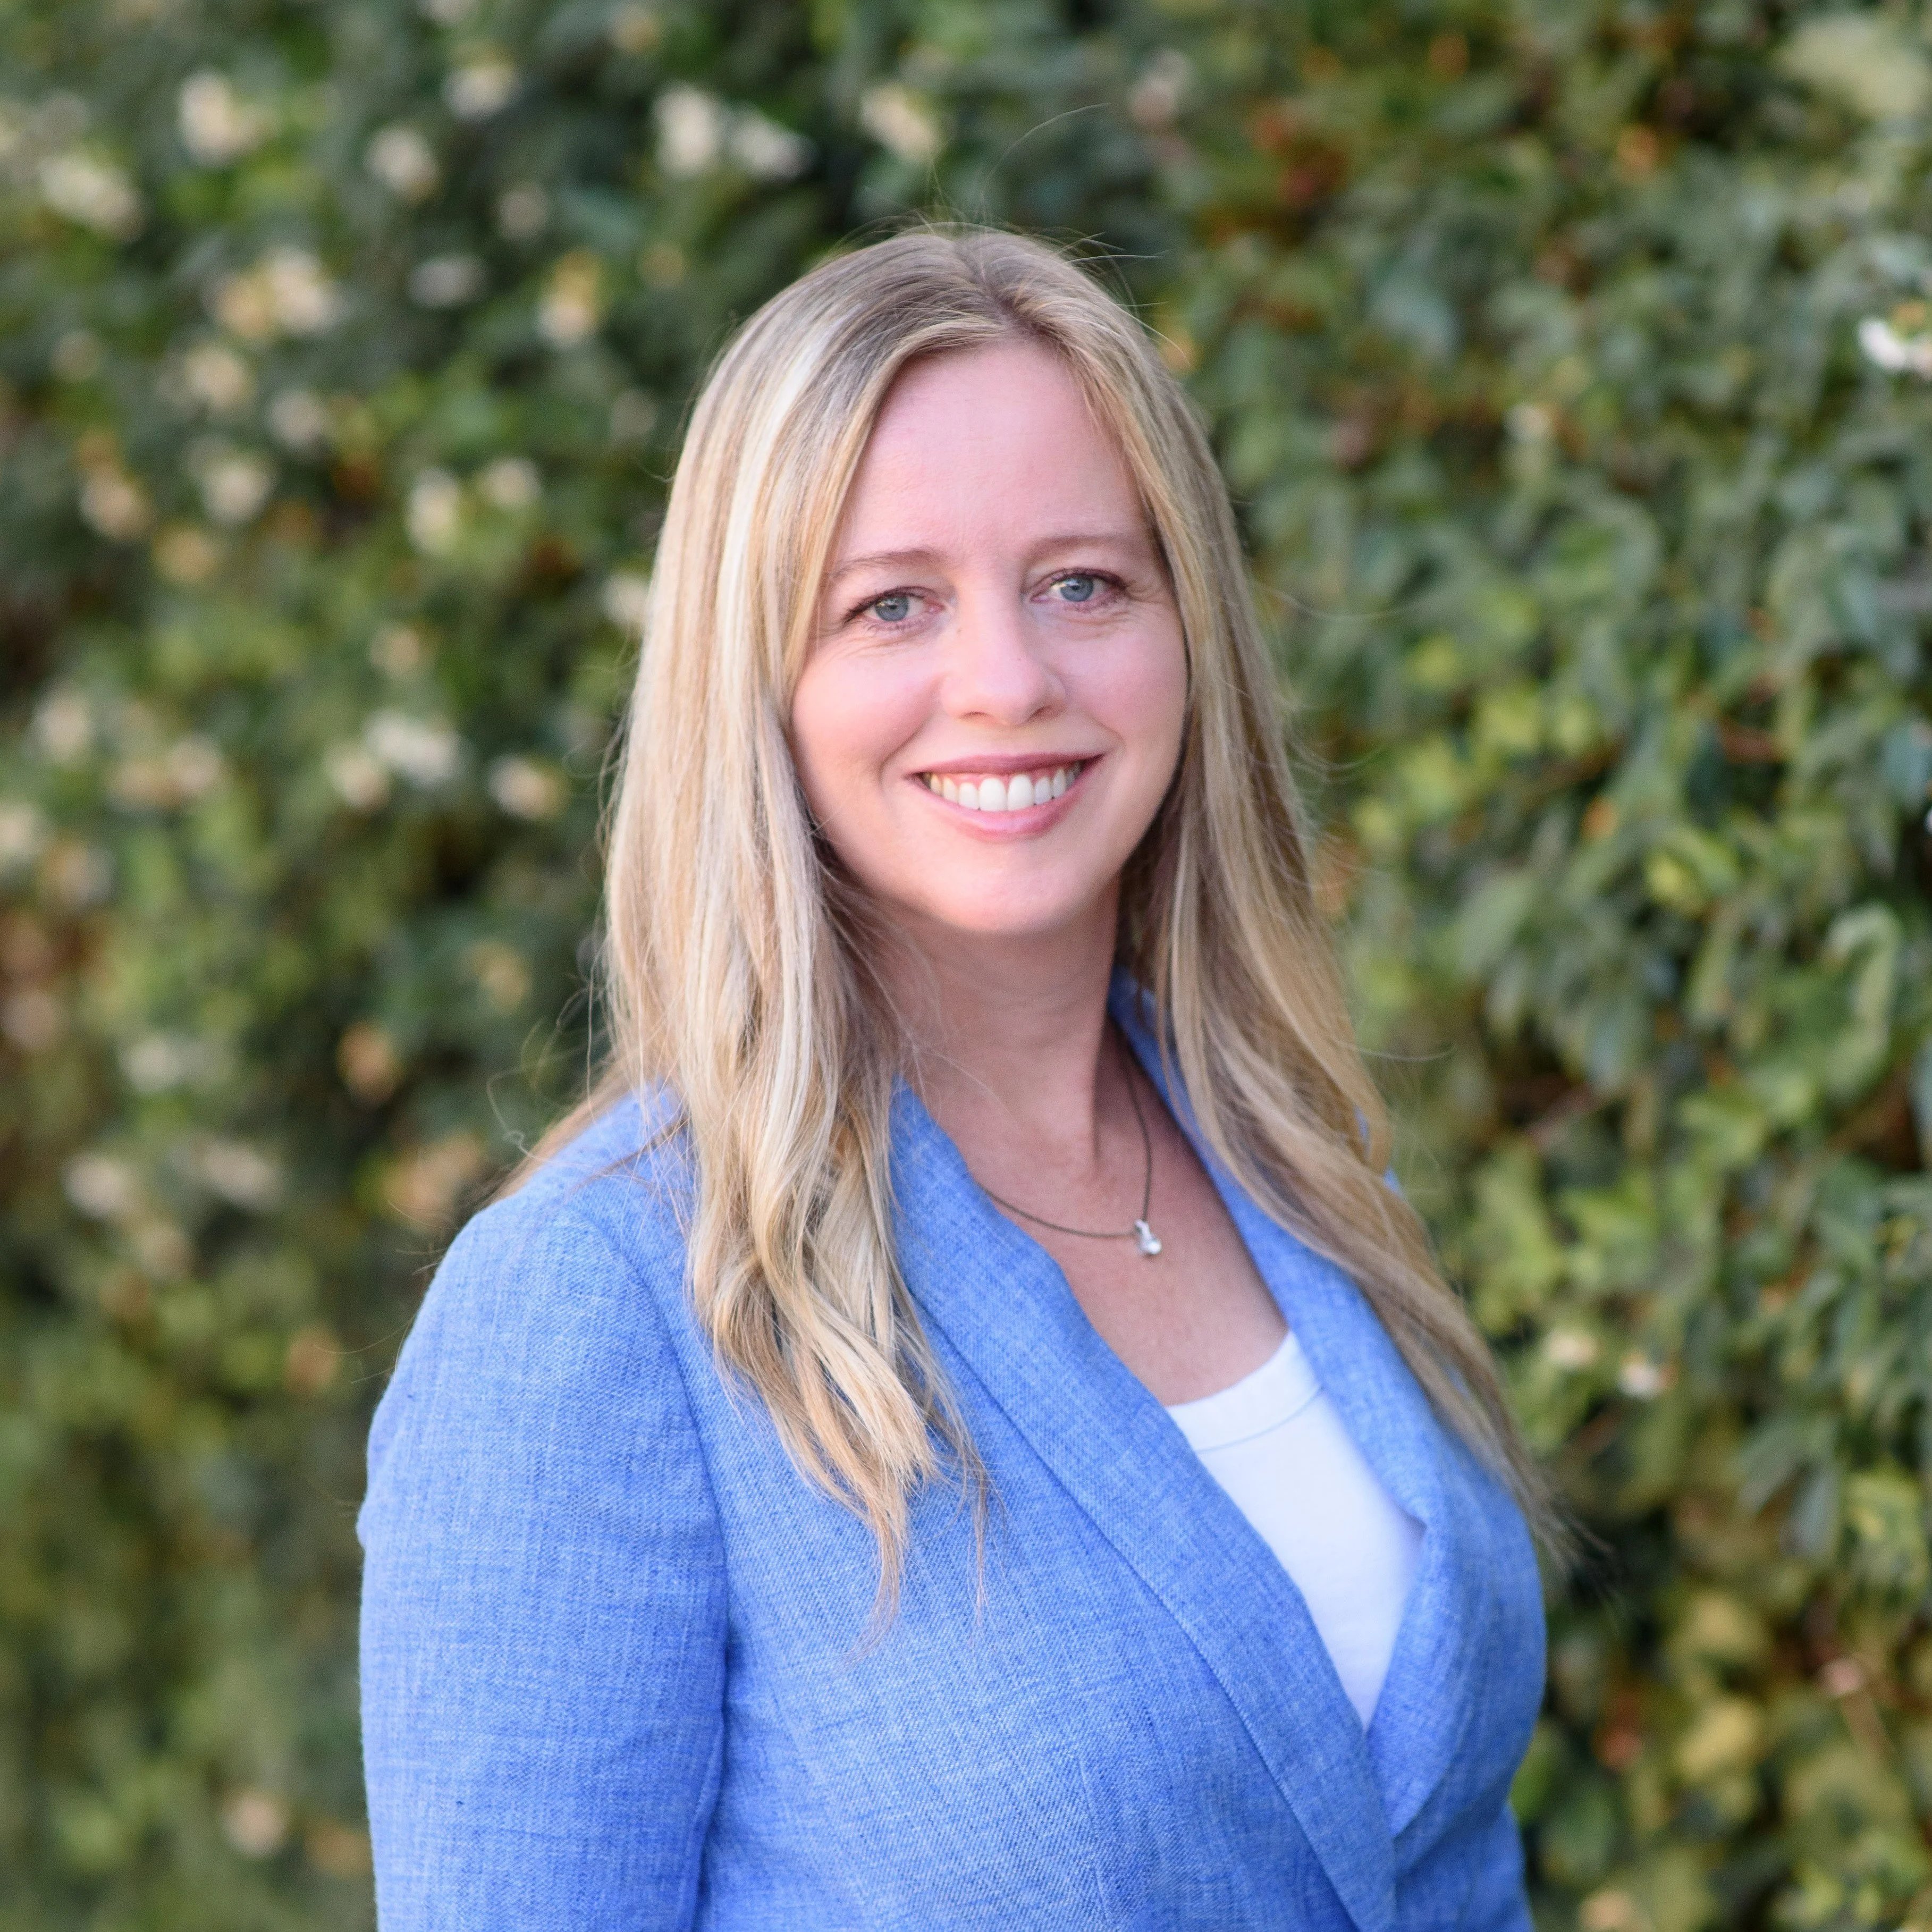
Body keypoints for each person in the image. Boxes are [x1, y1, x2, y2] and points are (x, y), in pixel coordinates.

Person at [357, 225, 1553, 1930]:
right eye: (889, 603)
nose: (1005, 681)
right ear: (756, 680)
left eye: (1082, 582)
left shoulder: (1297, 1161)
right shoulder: (595, 1309)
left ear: (1185, 629)